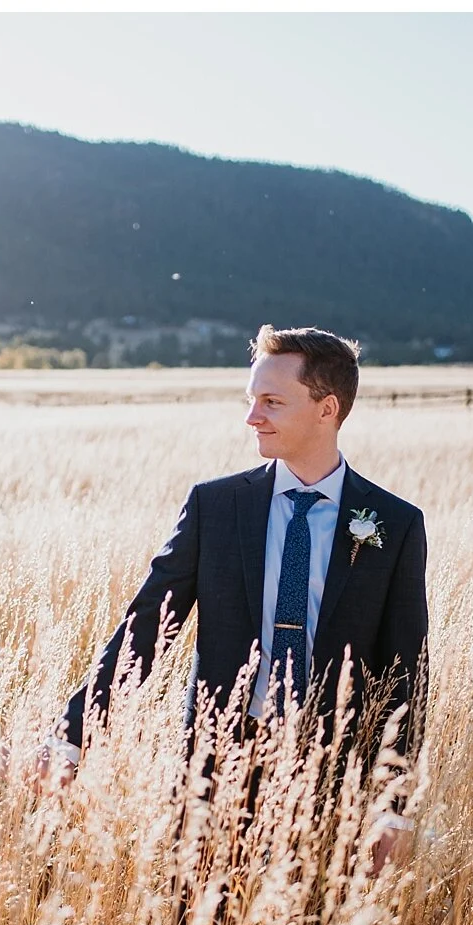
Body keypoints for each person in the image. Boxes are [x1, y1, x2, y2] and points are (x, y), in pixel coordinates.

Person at [47, 328, 429, 870]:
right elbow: (147, 627)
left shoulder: (394, 523)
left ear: (328, 408)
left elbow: (405, 672)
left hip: (334, 776)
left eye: (272, 402)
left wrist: (393, 807)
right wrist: (72, 736)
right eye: (251, 400)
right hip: (216, 766)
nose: (253, 417)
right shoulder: (216, 506)